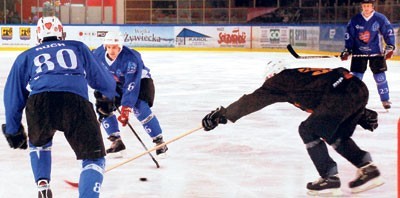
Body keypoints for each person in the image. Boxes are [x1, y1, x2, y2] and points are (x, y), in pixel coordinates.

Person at [201, 61, 384, 196]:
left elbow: (253, 100)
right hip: (356, 89)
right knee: (335, 134)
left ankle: (330, 179)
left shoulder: (281, 80)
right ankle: (368, 169)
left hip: (341, 92)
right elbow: (329, 94)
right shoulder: (301, 80)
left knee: (308, 130)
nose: (267, 84)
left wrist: (223, 115)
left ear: (272, 75)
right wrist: (360, 113)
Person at [2, 16, 117, 198]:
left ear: (38, 36)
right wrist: (107, 98)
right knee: (93, 158)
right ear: (62, 33)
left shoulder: (25, 56)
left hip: (40, 103)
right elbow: (101, 78)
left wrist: (13, 128)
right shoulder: (77, 46)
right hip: (75, 102)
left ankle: (42, 185)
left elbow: (12, 95)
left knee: (40, 143)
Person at [92, 31, 168, 156]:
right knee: (103, 106)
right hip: (116, 82)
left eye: (115, 47)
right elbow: (93, 72)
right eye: (109, 47)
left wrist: (126, 109)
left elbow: (131, 85)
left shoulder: (131, 58)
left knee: (139, 108)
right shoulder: (97, 54)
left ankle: (159, 141)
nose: (112, 51)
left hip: (140, 81)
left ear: (120, 47)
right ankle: (116, 141)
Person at [340, 0, 395, 110]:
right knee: (356, 78)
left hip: (376, 53)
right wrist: (347, 49)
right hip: (359, 53)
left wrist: (390, 47)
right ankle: (353, 101)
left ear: (372, 6)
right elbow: (349, 35)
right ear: (361, 6)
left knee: (380, 77)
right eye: (364, 6)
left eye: (368, 6)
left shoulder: (380, 18)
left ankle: (385, 100)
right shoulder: (355, 20)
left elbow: (388, 32)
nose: (366, 8)